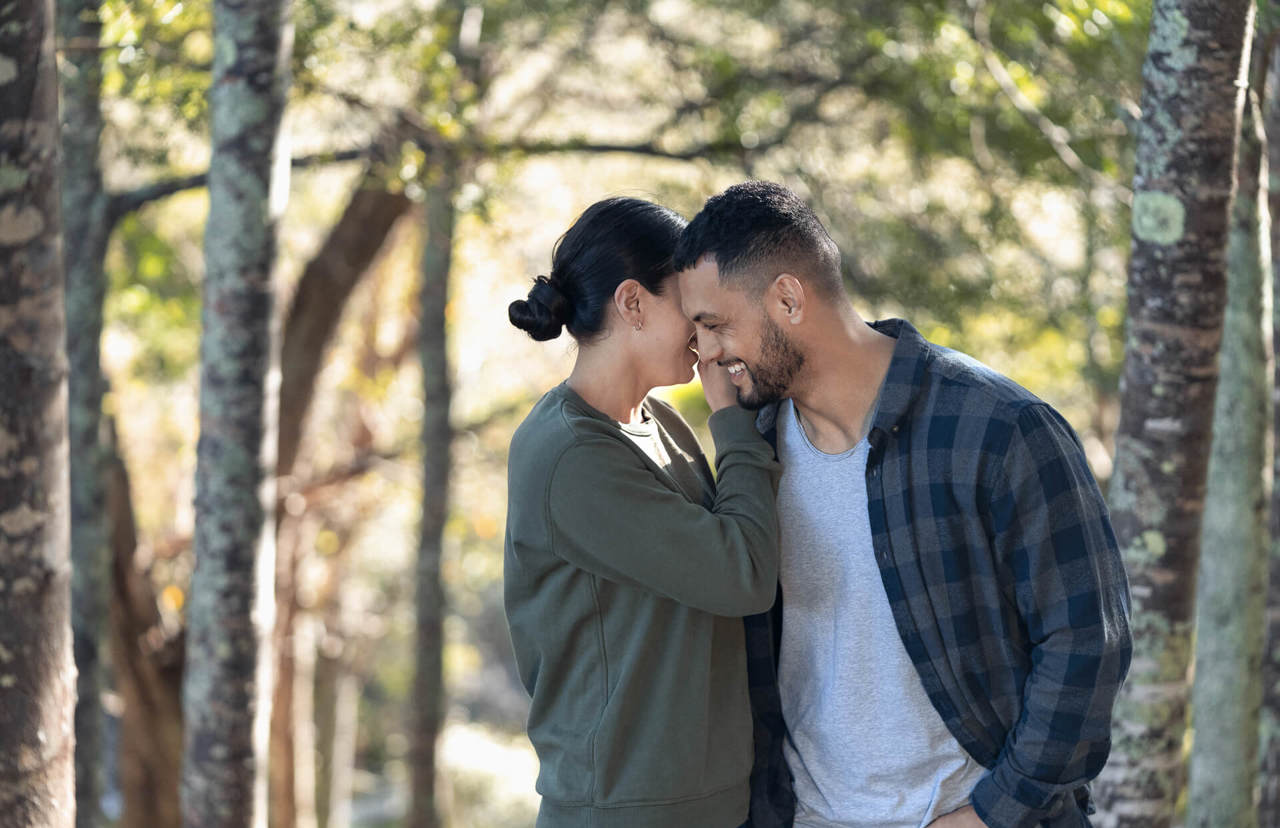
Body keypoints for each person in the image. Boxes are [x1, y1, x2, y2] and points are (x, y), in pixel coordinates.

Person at [673, 181, 1133, 828]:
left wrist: (990, 814)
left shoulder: (1000, 430)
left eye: (716, 326)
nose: (709, 356)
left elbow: (1088, 643)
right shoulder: (754, 454)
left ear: (787, 298)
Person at [504, 196, 782, 828]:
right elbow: (742, 573)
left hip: (706, 804)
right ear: (632, 303)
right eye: (688, 305)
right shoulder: (571, 456)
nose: (704, 329)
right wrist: (734, 424)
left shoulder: (659, 423)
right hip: (623, 811)